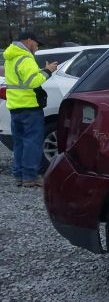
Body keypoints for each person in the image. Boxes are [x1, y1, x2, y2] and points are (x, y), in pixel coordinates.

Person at [3, 30, 57, 187]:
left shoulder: (10, 58)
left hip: (15, 106)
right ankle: (30, 177)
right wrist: (48, 71)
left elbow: (21, 80)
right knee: (32, 142)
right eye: (36, 44)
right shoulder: (25, 58)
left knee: (19, 142)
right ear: (28, 40)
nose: (37, 47)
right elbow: (33, 81)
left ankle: (19, 175)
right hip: (29, 107)